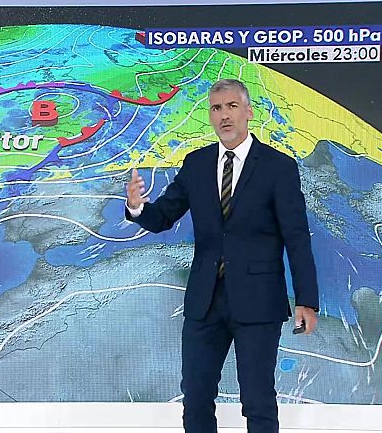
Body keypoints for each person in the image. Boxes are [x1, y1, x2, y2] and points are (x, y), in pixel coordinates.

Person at [125, 79, 319, 433]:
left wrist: (307, 299)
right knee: (196, 397)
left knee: (258, 400)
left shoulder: (278, 167)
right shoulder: (196, 164)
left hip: (258, 301)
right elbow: (164, 216)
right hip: (205, 301)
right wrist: (138, 208)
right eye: (216, 108)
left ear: (248, 112)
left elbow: (296, 236)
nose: (224, 115)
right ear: (210, 117)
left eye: (231, 106)